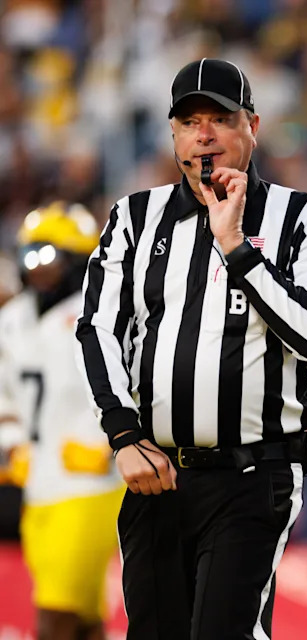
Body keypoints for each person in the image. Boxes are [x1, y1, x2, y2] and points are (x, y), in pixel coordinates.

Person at [75, 58, 307, 639]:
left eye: (220, 119)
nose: (205, 135)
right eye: (190, 121)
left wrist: (237, 246)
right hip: (156, 475)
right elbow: (98, 328)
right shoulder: (134, 216)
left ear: (253, 126)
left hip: (253, 471)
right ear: (173, 134)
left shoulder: (304, 215)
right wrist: (123, 433)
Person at [0, 202, 125, 640]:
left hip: (92, 485)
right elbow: (4, 396)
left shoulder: (105, 316)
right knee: (85, 621)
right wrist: (12, 441)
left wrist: (112, 443)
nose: (36, 268)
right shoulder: (12, 320)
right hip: (39, 485)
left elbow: (142, 387)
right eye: (29, 255)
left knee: (54, 617)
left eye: (48, 256)